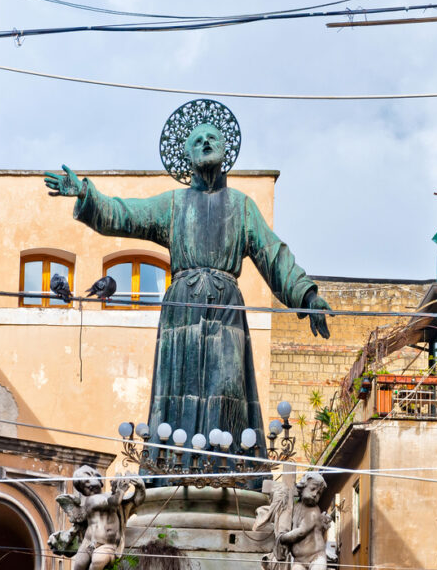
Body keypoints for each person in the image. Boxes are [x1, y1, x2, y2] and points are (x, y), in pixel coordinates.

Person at [43, 100, 331, 459]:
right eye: (198, 140)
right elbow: (124, 214)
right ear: (187, 156)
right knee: (177, 391)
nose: (207, 143)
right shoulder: (173, 204)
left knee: (228, 389)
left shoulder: (242, 206)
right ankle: (176, 463)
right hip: (182, 310)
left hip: (226, 309)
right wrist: (87, 195)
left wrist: (306, 295)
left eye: (213, 138)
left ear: (226, 151)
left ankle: (226, 468)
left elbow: (274, 255)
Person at [49, 466, 146, 570]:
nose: (86, 486)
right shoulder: (91, 500)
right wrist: (120, 491)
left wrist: (140, 488)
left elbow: (136, 501)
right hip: (89, 541)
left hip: (108, 543)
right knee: (79, 564)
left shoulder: (113, 496)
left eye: (87, 480)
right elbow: (112, 504)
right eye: (82, 486)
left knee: (99, 561)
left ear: (99, 479)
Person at [279, 472, 329, 570]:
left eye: (319, 493)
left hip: (316, 557)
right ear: (303, 487)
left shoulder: (313, 510)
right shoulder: (295, 508)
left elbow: (300, 532)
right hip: (299, 561)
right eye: (313, 489)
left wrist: (282, 538)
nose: (315, 495)